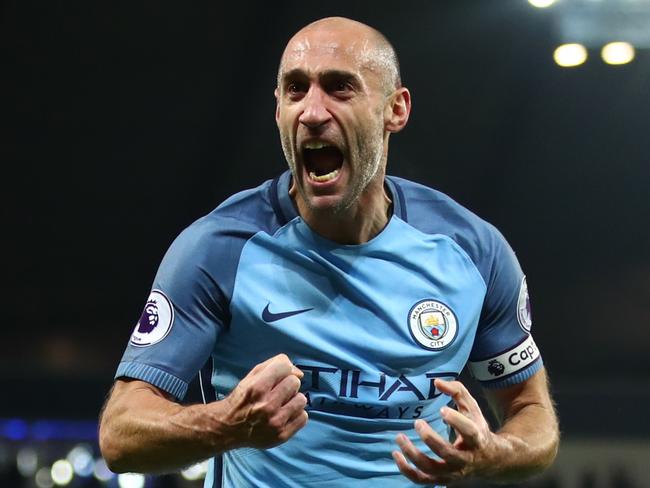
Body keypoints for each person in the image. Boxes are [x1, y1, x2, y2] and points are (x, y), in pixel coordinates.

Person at [99, 16, 559, 487]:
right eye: (296, 89)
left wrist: (493, 454)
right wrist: (228, 424)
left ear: (395, 110)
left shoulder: (472, 251)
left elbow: (530, 411)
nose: (313, 111)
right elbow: (121, 435)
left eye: (340, 88)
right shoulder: (219, 249)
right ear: (278, 109)